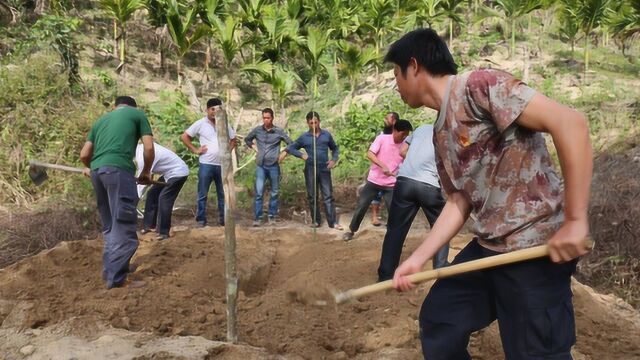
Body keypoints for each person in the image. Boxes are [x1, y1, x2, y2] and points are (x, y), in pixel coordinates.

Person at [386, 29, 592, 359]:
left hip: (533, 248)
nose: (395, 83)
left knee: (534, 352)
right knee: (441, 321)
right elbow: (458, 200)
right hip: (488, 248)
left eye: (395, 73)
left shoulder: (479, 86)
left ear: (413, 66)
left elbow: (571, 123)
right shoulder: (440, 131)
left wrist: (576, 219)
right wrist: (416, 258)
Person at [80, 95, 154, 289]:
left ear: (115, 107)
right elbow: (148, 147)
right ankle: (117, 279)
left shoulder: (101, 121)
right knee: (123, 223)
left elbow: (84, 154)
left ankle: (110, 271)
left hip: (98, 173)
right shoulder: (137, 115)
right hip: (119, 171)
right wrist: (146, 171)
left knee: (110, 225)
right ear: (133, 106)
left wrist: (92, 168)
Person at [377, 124, 447, 282]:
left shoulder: (421, 128)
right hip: (428, 185)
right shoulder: (447, 131)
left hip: (404, 181)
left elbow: (402, 151)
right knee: (441, 226)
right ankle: (440, 270)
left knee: (395, 230)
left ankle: (385, 274)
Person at [342, 119, 413, 241]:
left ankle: (394, 236)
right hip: (374, 181)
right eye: (403, 134)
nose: (404, 137)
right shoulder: (382, 139)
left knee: (394, 210)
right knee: (362, 205)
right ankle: (352, 230)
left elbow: (407, 161)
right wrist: (382, 166)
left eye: (407, 134)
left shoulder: (405, 145)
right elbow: (370, 154)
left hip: (391, 184)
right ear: (395, 131)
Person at [181, 98, 236, 227]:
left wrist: (227, 150)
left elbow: (233, 140)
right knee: (202, 193)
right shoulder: (200, 123)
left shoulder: (224, 124)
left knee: (223, 194)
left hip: (222, 165)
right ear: (207, 110)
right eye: (212, 109)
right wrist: (195, 149)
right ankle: (201, 219)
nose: (215, 112)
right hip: (206, 164)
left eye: (218, 109)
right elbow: (185, 136)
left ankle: (223, 220)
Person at [284, 111, 343, 230]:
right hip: (310, 168)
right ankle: (316, 221)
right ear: (307, 123)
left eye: (316, 122)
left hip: (324, 168)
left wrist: (333, 160)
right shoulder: (304, 137)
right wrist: (301, 155)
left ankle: (333, 222)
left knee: (328, 195)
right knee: (312, 195)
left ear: (319, 121)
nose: (314, 125)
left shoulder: (326, 135)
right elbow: (290, 148)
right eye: (311, 123)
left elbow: (335, 148)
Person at [244, 108, 293, 226]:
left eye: (268, 118)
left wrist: (284, 154)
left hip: (273, 166)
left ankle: (272, 216)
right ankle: (258, 217)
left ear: (272, 118)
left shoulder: (278, 132)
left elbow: (292, 144)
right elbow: (247, 139)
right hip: (261, 165)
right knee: (259, 192)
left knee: (274, 192)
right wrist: (255, 148)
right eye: (264, 118)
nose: (266, 120)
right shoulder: (257, 130)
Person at [135, 142, 189, 240]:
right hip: (168, 173)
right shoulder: (141, 150)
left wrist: (134, 199)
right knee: (152, 194)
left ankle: (163, 232)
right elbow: (146, 180)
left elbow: (143, 181)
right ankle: (149, 226)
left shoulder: (142, 156)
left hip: (178, 172)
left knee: (164, 199)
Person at [370, 111, 400, 226]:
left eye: (387, 118)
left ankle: (391, 221)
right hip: (379, 172)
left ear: (394, 121)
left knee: (392, 200)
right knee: (376, 196)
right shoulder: (381, 135)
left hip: (393, 173)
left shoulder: (400, 136)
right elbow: (372, 152)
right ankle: (374, 217)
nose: (385, 120)